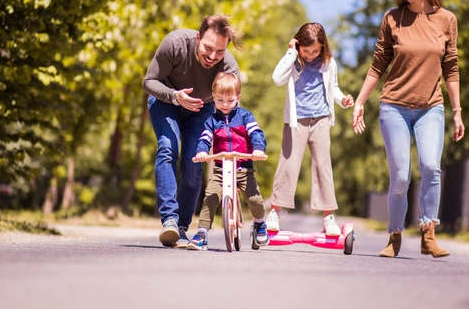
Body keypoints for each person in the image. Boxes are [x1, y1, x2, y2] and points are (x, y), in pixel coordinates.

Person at [351, 0, 465, 258]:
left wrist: (457, 111)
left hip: (431, 108)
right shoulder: (392, 18)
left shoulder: (446, 20)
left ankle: (429, 234)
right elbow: (378, 65)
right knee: (400, 176)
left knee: (431, 166)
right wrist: (360, 101)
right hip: (394, 107)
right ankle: (395, 235)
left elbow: (451, 68)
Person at [143, 15, 242, 248]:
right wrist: (175, 96)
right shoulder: (175, 44)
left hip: (202, 109)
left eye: (219, 51)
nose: (212, 56)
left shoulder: (228, 67)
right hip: (166, 100)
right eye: (208, 48)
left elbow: (232, 107)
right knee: (168, 148)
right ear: (198, 37)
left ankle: (181, 228)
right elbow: (149, 81)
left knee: (193, 161)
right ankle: (169, 219)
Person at [266, 22, 354, 236]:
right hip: (296, 121)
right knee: (288, 164)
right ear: (298, 45)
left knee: (323, 166)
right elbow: (277, 79)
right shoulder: (293, 61)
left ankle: (328, 217)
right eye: (306, 51)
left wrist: (342, 100)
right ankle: (275, 212)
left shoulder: (329, 63)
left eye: (316, 51)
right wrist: (290, 52)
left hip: (321, 119)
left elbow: (333, 88)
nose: (311, 55)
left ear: (323, 47)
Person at [189, 72, 269, 251]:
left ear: (238, 98)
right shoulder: (212, 121)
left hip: (244, 169)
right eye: (220, 100)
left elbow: (257, 134)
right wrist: (201, 151)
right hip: (220, 170)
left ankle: (259, 223)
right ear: (214, 98)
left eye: (230, 100)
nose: (225, 105)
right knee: (210, 197)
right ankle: (202, 233)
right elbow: (204, 139)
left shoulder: (245, 117)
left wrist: (258, 148)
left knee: (254, 199)